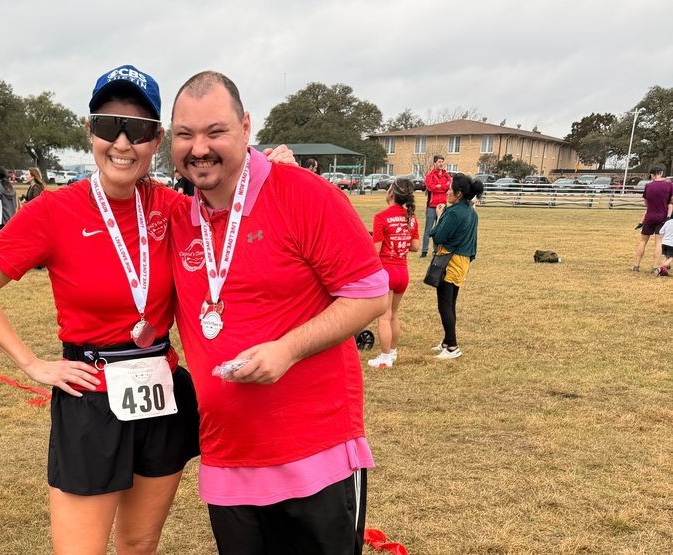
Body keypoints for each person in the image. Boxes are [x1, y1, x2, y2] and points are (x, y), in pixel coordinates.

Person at [0, 64, 202, 554]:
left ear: (158, 141)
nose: (123, 143)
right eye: (110, 126)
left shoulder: (174, 209)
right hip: (91, 396)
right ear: (91, 131)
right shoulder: (53, 211)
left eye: (139, 130)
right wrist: (31, 363)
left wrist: (269, 167)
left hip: (162, 391)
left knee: (139, 545)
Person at [168, 71, 388, 555]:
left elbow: (371, 295)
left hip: (315, 456)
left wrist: (288, 349)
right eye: (184, 134)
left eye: (214, 131)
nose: (198, 147)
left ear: (246, 128)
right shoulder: (178, 219)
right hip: (228, 462)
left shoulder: (303, 194)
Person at [429, 173, 484, 360]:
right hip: (463, 260)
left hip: (451, 261)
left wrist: (439, 216)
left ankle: (452, 346)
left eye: (451, 188)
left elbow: (437, 236)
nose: (447, 190)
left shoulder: (454, 212)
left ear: (459, 193)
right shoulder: (470, 210)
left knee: (445, 304)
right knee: (450, 302)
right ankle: (447, 341)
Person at [367, 178, 421, 369]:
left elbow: (376, 250)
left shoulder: (381, 217)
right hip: (402, 271)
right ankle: (393, 350)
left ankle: (385, 356)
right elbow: (415, 247)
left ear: (391, 193)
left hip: (386, 271)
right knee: (394, 314)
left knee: (383, 316)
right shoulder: (411, 217)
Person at [633, 166, 673, 273]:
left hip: (649, 216)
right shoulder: (669, 185)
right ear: (661, 173)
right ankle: (655, 266)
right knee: (658, 242)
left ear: (652, 174)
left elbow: (646, 202)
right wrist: (668, 216)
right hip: (662, 217)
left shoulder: (648, 186)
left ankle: (636, 266)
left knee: (643, 241)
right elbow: (671, 202)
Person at [421, 155, 451, 257]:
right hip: (431, 206)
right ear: (434, 163)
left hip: (442, 206)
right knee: (428, 230)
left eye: (442, 161)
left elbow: (448, 186)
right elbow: (430, 187)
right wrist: (439, 187)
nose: (441, 163)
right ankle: (424, 251)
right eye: (439, 161)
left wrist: (439, 186)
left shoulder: (447, 176)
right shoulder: (429, 175)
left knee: (439, 229)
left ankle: (437, 250)